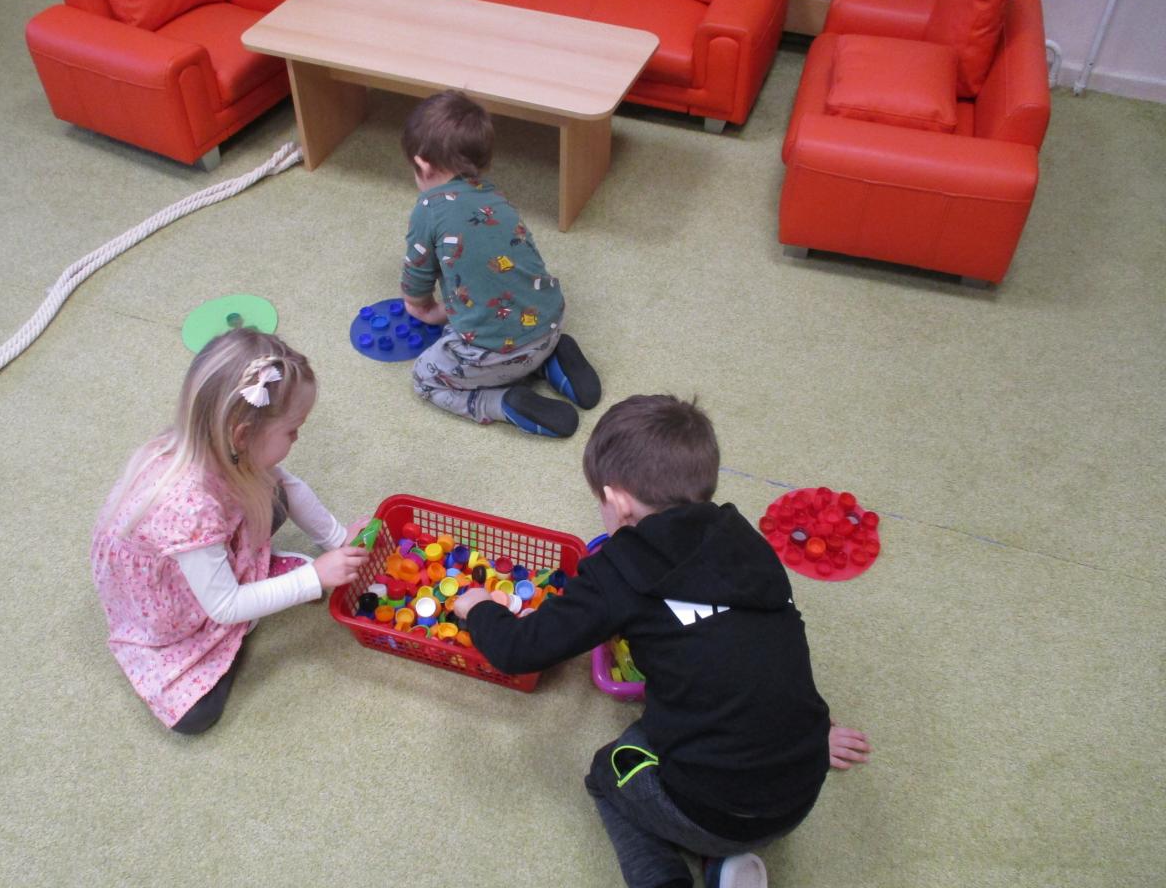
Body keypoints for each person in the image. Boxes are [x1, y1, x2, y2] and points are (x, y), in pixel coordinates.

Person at [454, 395, 871, 888]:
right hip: (800, 784)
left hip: (714, 809)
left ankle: (668, 876)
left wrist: (478, 607)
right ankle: (724, 867)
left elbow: (517, 650)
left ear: (618, 502)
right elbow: (770, 644)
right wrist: (813, 734)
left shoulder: (618, 573)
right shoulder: (746, 541)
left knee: (610, 771)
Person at [91, 328, 370, 734]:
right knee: (195, 716)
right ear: (242, 434)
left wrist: (338, 539)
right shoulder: (187, 504)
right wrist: (313, 577)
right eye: (292, 429)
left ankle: (255, 577)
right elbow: (223, 607)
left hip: (202, 556)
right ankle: (252, 590)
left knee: (272, 494)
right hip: (170, 605)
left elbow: (288, 488)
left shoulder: (221, 446)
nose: (298, 437)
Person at [398, 89, 600, 438]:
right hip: (549, 323)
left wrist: (426, 309)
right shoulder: (494, 196)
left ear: (423, 164)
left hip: (496, 353)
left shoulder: (428, 209)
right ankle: (551, 360)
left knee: (424, 378)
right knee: (510, 328)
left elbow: (416, 283)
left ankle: (501, 402)